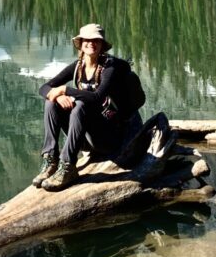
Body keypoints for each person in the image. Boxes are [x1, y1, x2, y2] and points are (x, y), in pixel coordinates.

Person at [33, 23, 143, 191]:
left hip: (109, 139)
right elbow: (44, 88)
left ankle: (68, 167)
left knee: (81, 105)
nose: (91, 43)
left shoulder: (109, 68)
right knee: (51, 102)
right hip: (85, 137)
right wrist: (57, 95)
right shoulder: (78, 67)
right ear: (81, 43)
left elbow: (97, 97)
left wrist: (65, 89)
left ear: (101, 45)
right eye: (87, 40)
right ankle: (51, 160)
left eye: (96, 40)